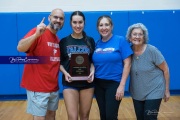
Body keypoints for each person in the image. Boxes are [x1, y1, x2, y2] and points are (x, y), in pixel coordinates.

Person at [17, 8, 64, 120]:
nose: (58, 20)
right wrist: (36, 35)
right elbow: (20, 47)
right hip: (38, 88)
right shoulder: (38, 31)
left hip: (53, 88)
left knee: (51, 116)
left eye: (61, 18)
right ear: (49, 18)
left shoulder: (57, 40)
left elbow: (56, 62)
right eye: (55, 17)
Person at [126, 23, 170, 120]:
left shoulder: (152, 50)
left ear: (144, 37)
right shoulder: (128, 52)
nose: (137, 37)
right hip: (137, 91)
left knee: (150, 117)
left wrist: (166, 90)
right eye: (134, 34)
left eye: (140, 34)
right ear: (129, 37)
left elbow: (166, 69)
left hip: (155, 90)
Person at [92, 15, 133, 120]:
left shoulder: (120, 40)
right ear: (97, 28)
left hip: (114, 84)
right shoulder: (96, 43)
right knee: (103, 115)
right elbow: (92, 63)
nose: (104, 27)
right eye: (101, 25)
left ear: (112, 26)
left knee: (111, 116)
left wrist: (122, 85)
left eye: (106, 24)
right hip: (98, 84)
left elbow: (127, 64)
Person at [59, 11, 95, 120]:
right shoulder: (64, 41)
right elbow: (59, 63)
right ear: (70, 23)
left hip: (87, 83)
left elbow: (92, 61)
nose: (78, 25)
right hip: (70, 83)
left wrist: (92, 72)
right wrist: (65, 73)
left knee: (84, 116)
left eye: (80, 22)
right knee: (72, 117)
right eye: (75, 22)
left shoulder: (90, 40)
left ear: (84, 23)